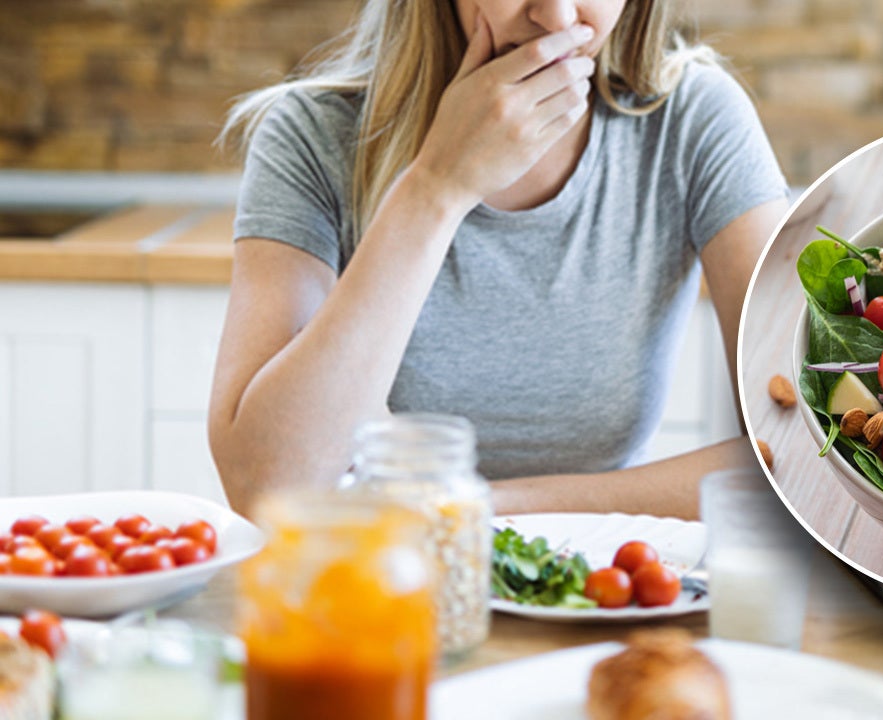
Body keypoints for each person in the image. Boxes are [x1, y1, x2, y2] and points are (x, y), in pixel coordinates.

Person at [209, 0, 788, 519]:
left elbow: (798, 446)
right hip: (379, 593)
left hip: (604, 588)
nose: (559, 18)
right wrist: (437, 187)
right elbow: (267, 489)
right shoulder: (310, 137)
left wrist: (476, 509)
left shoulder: (693, 121)